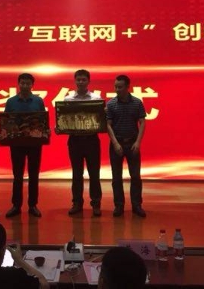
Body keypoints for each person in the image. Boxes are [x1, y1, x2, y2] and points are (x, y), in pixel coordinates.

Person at [2, 73, 46, 218]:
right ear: (18, 84)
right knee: (17, 175)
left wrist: (45, 132)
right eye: (22, 83)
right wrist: (3, 133)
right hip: (16, 144)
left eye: (28, 83)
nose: (25, 86)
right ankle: (16, 205)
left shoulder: (38, 101)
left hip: (34, 143)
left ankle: (33, 205)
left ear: (32, 85)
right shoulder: (11, 102)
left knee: (34, 174)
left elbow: (42, 121)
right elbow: (5, 122)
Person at [62, 69, 102, 217]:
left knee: (94, 174)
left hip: (91, 140)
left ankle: (96, 204)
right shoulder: (68, 99)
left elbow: (100, 120)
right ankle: (77, 203)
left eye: (83, 79)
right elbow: (64, 120)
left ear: (88, 81)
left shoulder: (96, 98)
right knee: (77, 174)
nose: (81, 82)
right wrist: (60, 127)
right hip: (75, 140)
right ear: (75, 81)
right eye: (78, 79)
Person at [106, 75, 147, 218]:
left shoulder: (137, 102)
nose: (117, 89)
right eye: (115, 87)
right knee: (116, 177)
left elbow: (142, 122)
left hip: (132, 143)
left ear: (127, 87)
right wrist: (115, 143)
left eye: (120, 87)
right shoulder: (111, 104)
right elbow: (108, 125)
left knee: (135, 176)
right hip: (117, 143)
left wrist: (138, 142)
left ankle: (137, 205)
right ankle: (119, 205)